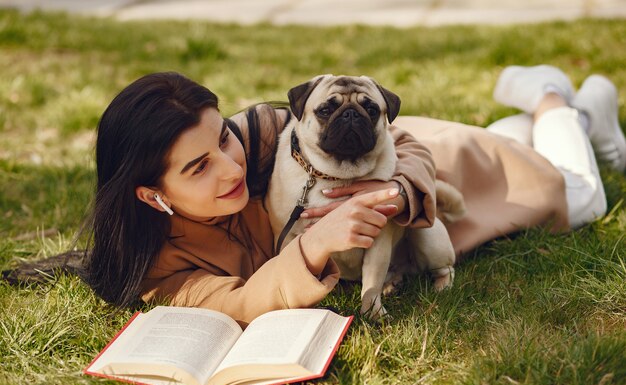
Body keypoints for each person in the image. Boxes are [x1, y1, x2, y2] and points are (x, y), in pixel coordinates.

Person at [84, 66, 625, 327]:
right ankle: (569, 116)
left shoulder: (262, 133)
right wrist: (313, 246)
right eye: (200, 167)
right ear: (153, 196)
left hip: (429, 182)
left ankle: (549, 95)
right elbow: (237, 302)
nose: (232, 165)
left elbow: (405, 140)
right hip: (399, 223)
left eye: (222, 137)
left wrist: (395, 190)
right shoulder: (162, 266)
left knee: (576, 199)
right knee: (519, 152)